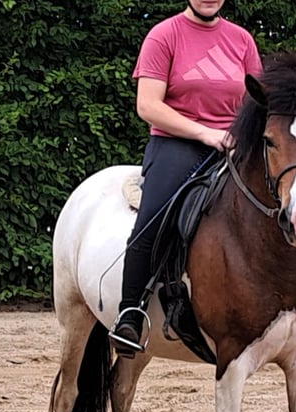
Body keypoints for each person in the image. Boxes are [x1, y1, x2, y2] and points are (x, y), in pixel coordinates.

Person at [109, 0, 262, 357]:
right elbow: (148, 105)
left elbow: (258, 101)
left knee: (289, 199)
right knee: (153, 219)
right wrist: (205, 134)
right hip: (177, 144)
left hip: (235, 143)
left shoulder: (241, 40)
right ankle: (130, 312)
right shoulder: (164, 35)